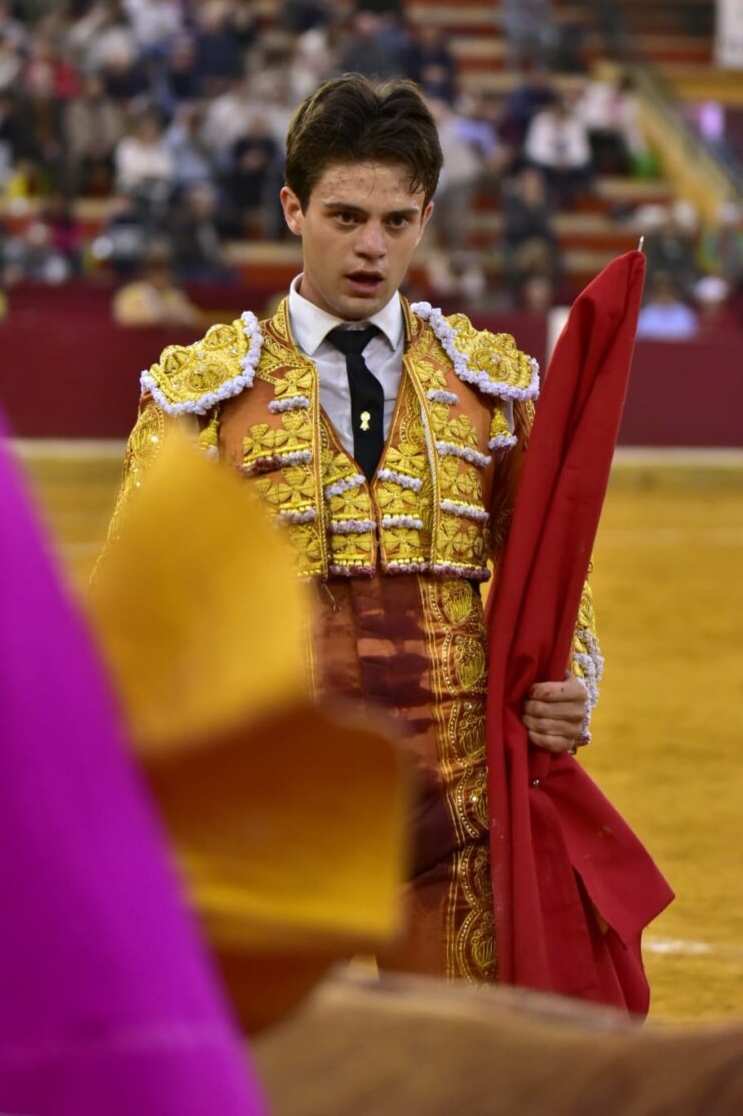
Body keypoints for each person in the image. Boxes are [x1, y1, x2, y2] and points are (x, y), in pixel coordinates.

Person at [105, 74, 595, 983]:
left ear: (426, 219)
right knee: (294, 1061)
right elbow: (137, 608)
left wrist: (569, 688)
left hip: (459, 812)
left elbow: (556, 577)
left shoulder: (492, 389)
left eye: (397, 221)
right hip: (274, 808)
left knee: (453, 1054)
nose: (372, 246)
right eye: (345, 217)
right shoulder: (199, 395)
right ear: (294, 208)